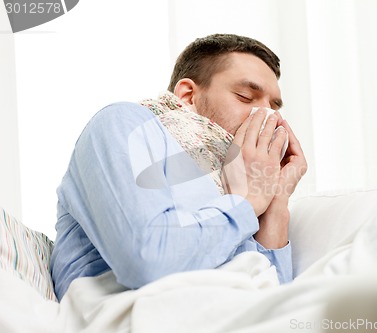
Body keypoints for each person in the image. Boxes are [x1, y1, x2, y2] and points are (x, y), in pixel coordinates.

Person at [50, 33, 308, 300]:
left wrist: (275, 203)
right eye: (245, 97)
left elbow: (274, 300)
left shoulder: (242, 180)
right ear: (188, 96)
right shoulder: (125, 124)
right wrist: (248, 201)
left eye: (274, 107)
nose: (268, 117)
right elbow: (148, 260)